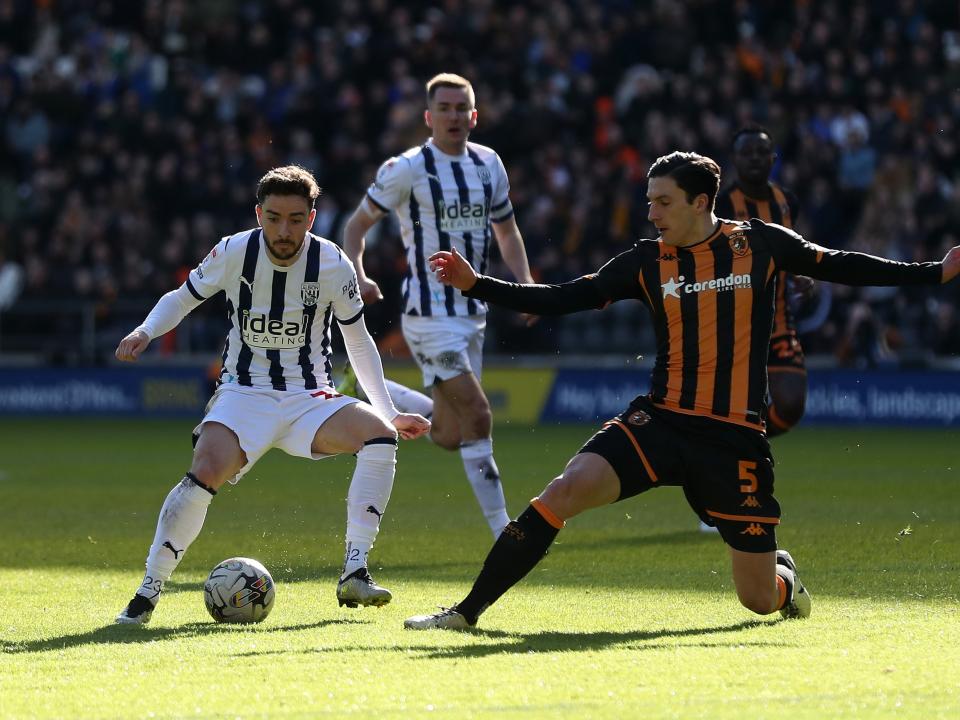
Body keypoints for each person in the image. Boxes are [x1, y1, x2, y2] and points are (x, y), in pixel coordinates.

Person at [404, 150, 960, 631]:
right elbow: (563, 297)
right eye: (649, 201)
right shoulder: (647, 261)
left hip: (734, 439)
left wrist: (935, 272)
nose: (651, 213)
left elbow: (842, 265)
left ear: (701, 202)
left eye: (663, 202)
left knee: (757, 599)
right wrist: (478, 285)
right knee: (565, 490)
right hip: (662, 421)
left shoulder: (759, 245)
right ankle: (465, 612)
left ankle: (783, 579)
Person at [114, 165, 430, 625]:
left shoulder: (332, 263)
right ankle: (148, 591)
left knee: (381, 435)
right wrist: (145, 331)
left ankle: (354, 570)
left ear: (312, 217)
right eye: (275, 217)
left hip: (311, 397)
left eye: (296, 219)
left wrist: (390, 411)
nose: (285, 230)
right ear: (258, 214)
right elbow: (183, 297)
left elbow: (358, 341)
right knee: (204, 472)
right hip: (244, 393)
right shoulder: (233, 251)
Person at [341, 73, 536, 538]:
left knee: (451, 434)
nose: (453, 115)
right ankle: (503, 533)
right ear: (429, 118)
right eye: (443, 108)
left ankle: (373, 389)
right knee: (481, 414)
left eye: (460, 107)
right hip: (428, 317)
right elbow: (355, 227)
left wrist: (525, 281)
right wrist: (360, 275)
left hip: (473, 315)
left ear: (474, 115)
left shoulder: (489, 164)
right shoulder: (406, 168)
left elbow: (506, 230)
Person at [694, 125, 808, 534]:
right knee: (734, 413)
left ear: (773, 159)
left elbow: (792, 250)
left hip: (778, 324)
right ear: (734, 161)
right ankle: (721, 485)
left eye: (763, 153)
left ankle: (718, 460)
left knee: (790, 406)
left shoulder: (786, 201)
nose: (756, 160)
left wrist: (799, 276)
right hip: (732, 327)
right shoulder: (722, 203)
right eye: (748, 154)